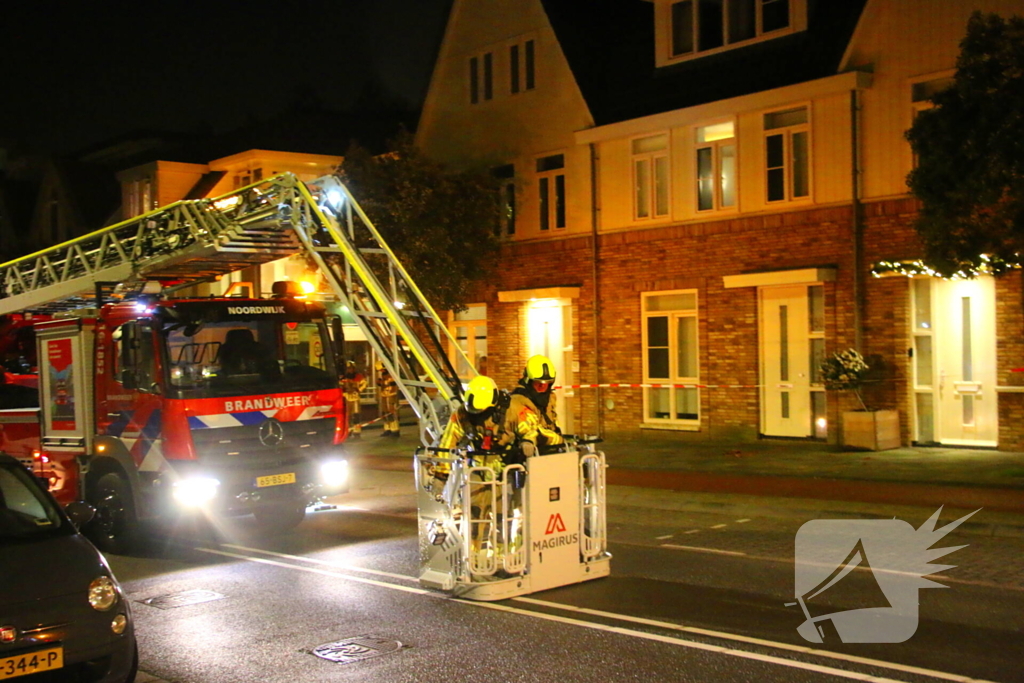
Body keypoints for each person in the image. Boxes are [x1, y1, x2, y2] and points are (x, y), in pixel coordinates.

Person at [506, 354, 564, 454]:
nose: (542, 386)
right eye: (538, 382)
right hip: (528, 459)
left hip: (550, 454)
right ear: (528, 381)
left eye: (546, 383)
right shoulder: (517, 402)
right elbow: (531, 432)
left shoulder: (550, 399)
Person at [341, 360, 367, 438]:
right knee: (348, 416)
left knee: (356, 415)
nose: (349, 370)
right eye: (348, 368)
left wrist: (359, 390)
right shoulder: (343, 378)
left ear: (354, 369)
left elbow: (364, 384)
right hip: (347, 398)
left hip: (355, 398)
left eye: (351, 368)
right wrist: (343, 391)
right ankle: (348, 430)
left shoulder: (359, 377)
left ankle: (357, 431)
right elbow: (340, 386)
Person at [377, 366, 400, 437]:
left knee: (391, 413)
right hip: (384, 396)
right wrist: (380, 383)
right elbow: (383, 385)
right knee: (385, 413)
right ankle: (387, 429)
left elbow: (393, 386)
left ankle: (395, 430)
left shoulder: (391, 376)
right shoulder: (383, 376)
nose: (381, 372)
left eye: (382, 370)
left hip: (390, 396)